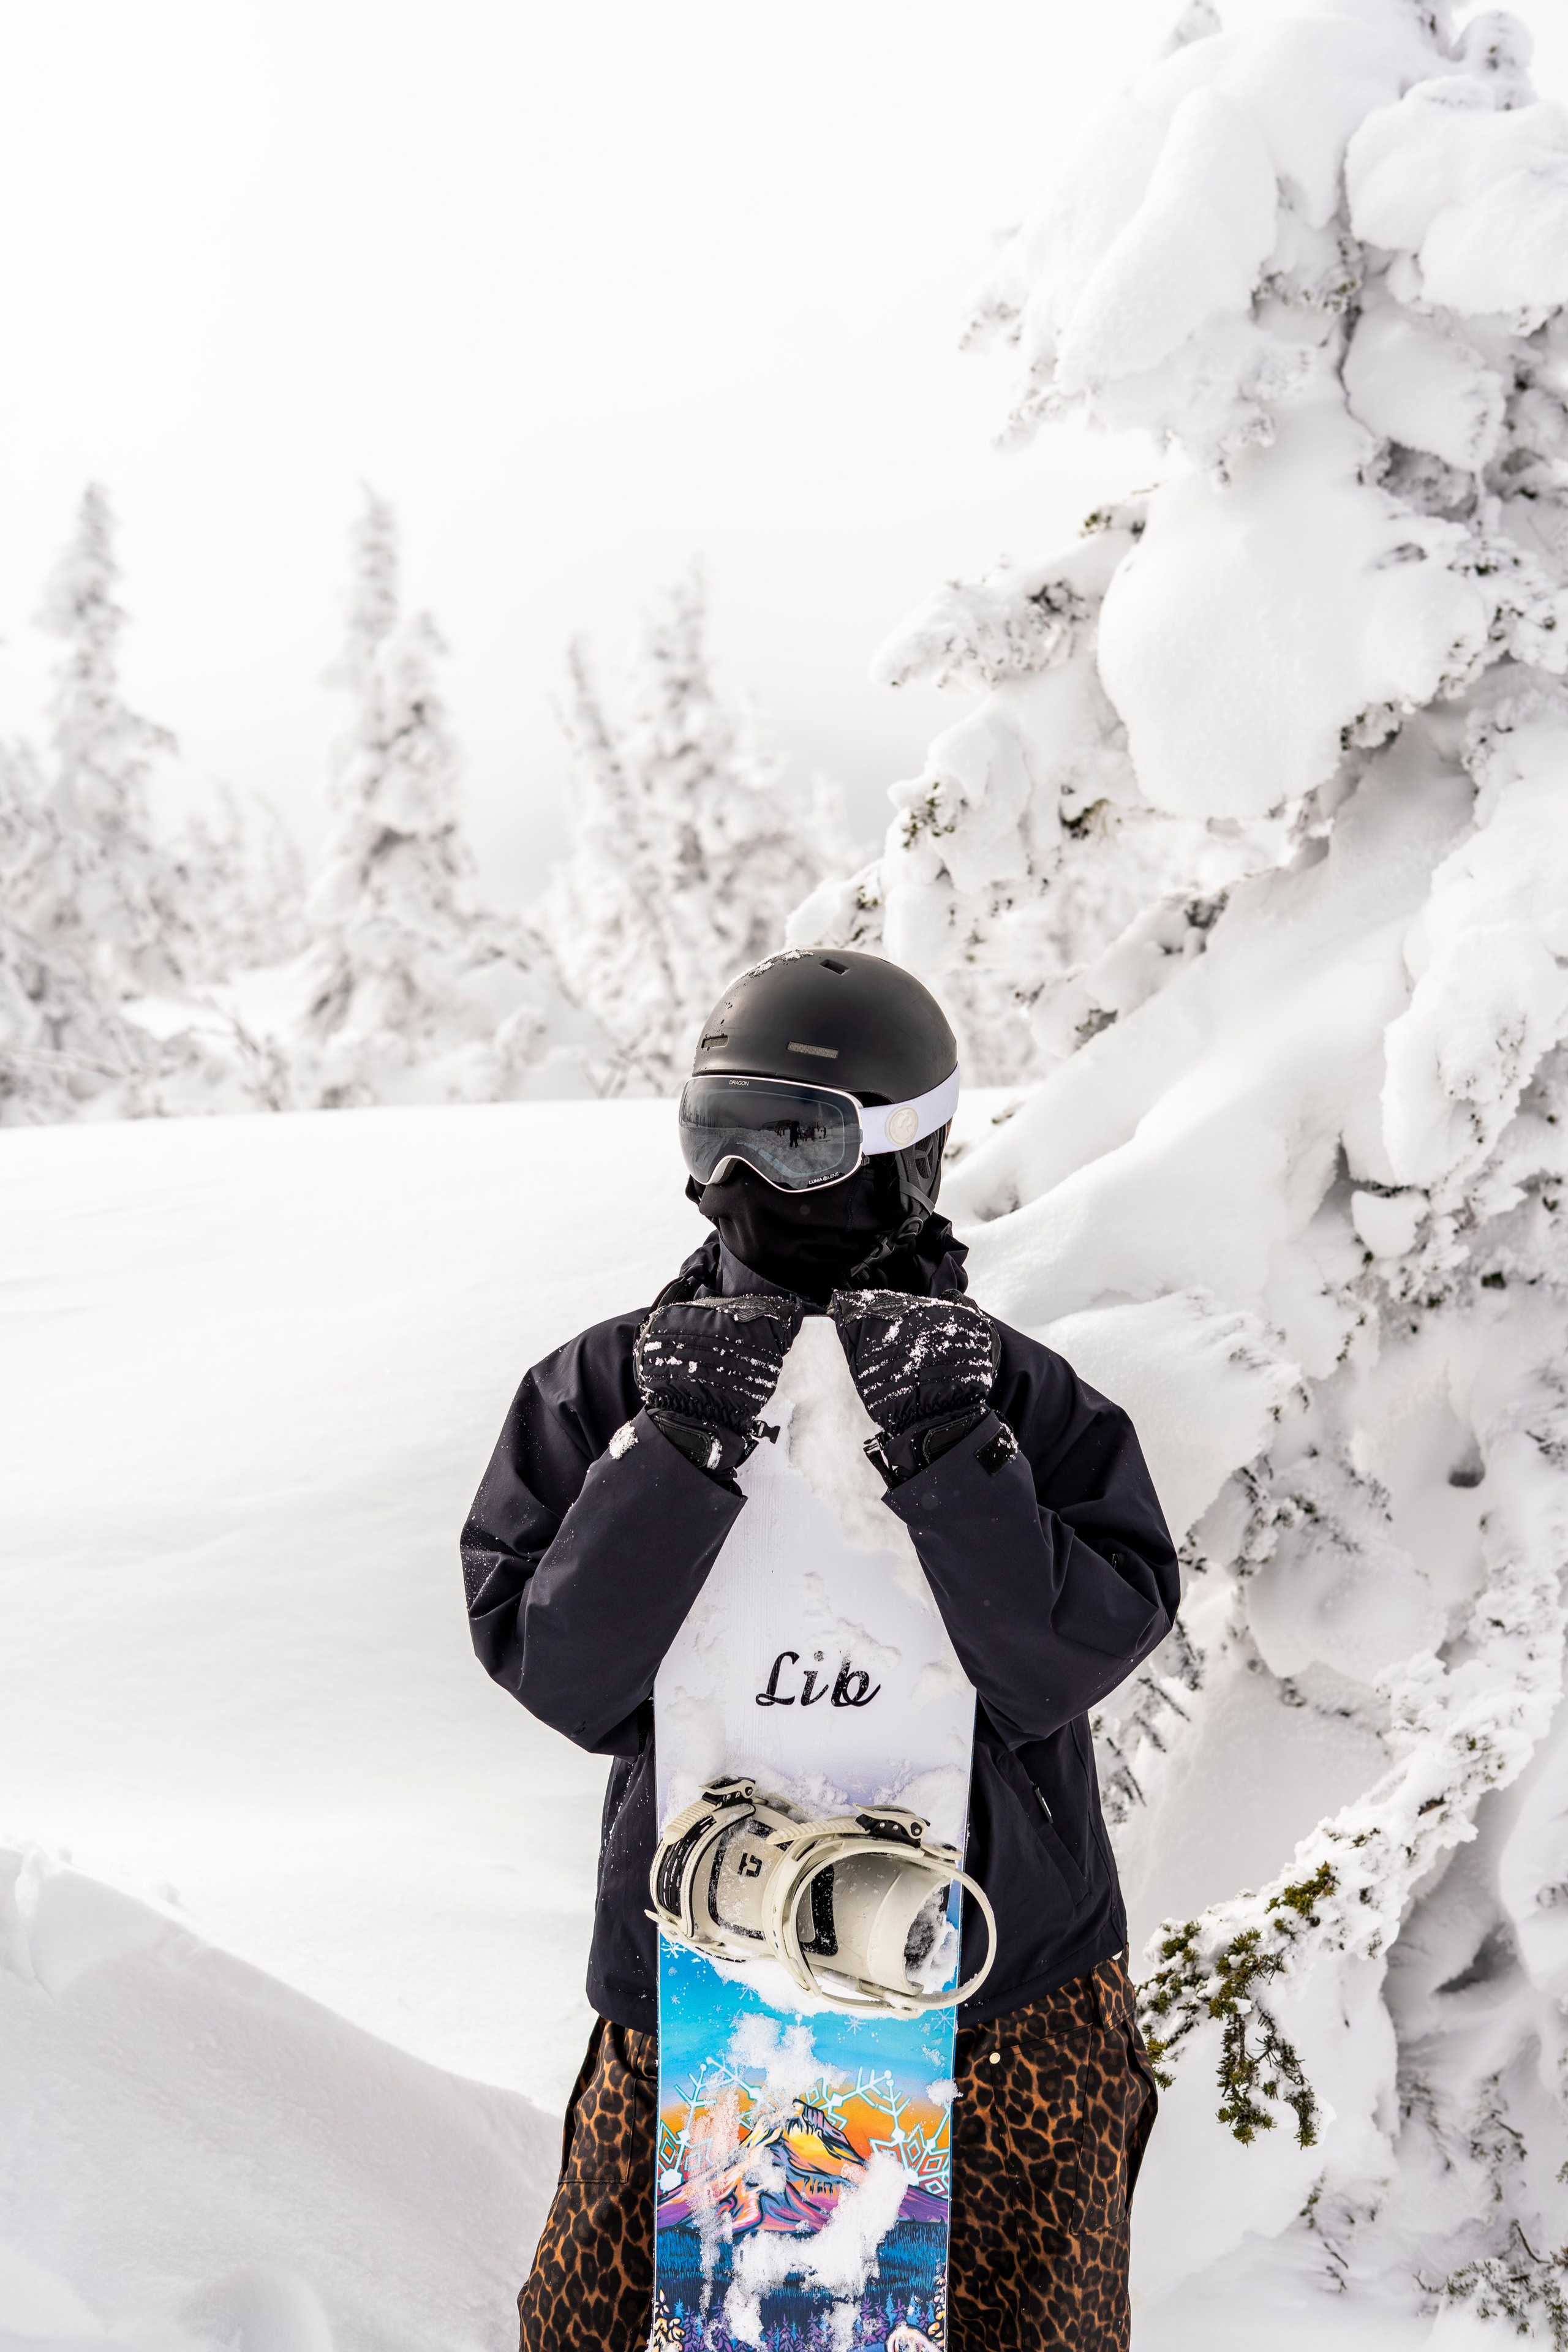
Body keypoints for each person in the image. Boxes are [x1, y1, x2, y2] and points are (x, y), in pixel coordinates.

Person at [461, 948, 1179, 2352]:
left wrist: (949, 1452)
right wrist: (672, 1455)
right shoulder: (604, 1386)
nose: (740, 1184)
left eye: (797, 1141)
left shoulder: (1017, 1397)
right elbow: (564, 1673)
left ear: (906, 1155)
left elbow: (1055, 1666)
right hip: (695, 1976)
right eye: (710, 1134)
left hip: (1001, 1991)